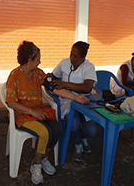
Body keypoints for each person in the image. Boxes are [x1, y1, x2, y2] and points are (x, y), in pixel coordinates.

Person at [6, 41, 89, 185]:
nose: (40, 61)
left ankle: (42, 158)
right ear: (30, 59)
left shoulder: (38, 73)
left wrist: (76, 97)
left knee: (57, 128)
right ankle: (36, 166)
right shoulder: (14, 75)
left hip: (39, 112)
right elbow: (11, 103)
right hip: (23, 116)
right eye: (38, 58)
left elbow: (55, 89)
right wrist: (31, 111)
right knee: (44, 133)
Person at [50, 41, 99, 162]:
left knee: (93, 130)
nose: (72, 58)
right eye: (71, 54)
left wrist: (64, 84)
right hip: (67, 101)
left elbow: (87, 87)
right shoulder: (64, 63)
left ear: (83, 57)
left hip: (85, 101)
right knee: (73, 123)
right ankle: (78, 144)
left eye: (76, 56)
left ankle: (82, 137)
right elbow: (54, 77)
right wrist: (49, 77)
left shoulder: (89, 67)